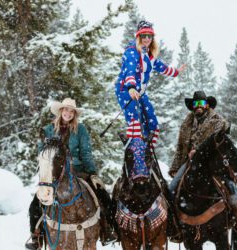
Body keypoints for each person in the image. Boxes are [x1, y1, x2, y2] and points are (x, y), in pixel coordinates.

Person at [25, 98, 117, 250]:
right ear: (61, 111)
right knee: (36, 202)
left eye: (71, 111)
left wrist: (92, 173)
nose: (68, 113)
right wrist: (45, 173)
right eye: (66, 110)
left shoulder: (80, 130)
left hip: (78, 171)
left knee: (101, 194)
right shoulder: (48, 130)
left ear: (74, 114)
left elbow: (86, 152)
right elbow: (42, 154)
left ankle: (107, 230)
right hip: (54, 173)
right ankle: (37, 236)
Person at [168, 90, 237, 234]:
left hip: (212, 163)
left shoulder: (217, 122)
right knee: (171, 189)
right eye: (195, 103)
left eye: (201, 103)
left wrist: (200, 152)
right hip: (189, 163)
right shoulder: (186, 125)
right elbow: (180, 148)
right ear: (192, 106)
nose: (198, 106)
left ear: (207, 105)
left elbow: (221, 144)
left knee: (230, 186)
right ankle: (175, 226)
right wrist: (175, 167)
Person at [115, 20, 186, 147]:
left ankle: (148, 150)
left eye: (149, 35)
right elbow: (129, 70)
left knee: (153, 124)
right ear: (138, 36)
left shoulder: (149, 55)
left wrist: (176, 72)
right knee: (135, 121)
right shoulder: (132, 51)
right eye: (143, 35)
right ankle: (135, 150)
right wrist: (131, 87)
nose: (147, 38)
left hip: (140, 93)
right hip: (126, 90)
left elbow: (162, 67)